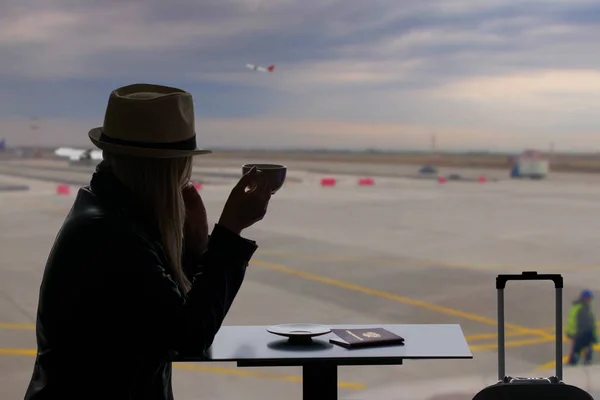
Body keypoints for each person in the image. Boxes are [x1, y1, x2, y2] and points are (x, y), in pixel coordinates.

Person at [24, 84, 273, 400]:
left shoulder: (111, 213)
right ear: (166, 168)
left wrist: (197, 245)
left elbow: (158, 310)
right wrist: (229, 232)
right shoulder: (110, 233)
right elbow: (188, 334)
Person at [566, 289, 597, 366]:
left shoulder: (577, 306)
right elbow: (586, 323)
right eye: (589, 298)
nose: (590, 300)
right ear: (585, 298)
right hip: (582, 333)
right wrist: (592, 335)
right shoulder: (583, 308)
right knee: (586, 349)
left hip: (576, 333)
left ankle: (572, 364)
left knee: (577, 351)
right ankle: (585, 363)